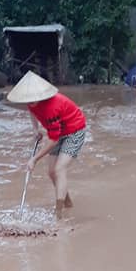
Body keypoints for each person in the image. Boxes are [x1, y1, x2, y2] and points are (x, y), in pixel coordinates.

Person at [7, 71, 87, 218]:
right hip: (58, 130)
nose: (30, 102)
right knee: (51, 172)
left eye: (33, 99)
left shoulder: (52, 106)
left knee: (59, 168)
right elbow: (32, 111)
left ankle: (59, 213)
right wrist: (35, 128)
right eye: (28, 99)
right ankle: (67, 202)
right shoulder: (31, 103)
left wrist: (34, 159)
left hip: (75, 130)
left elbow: (54, 139)